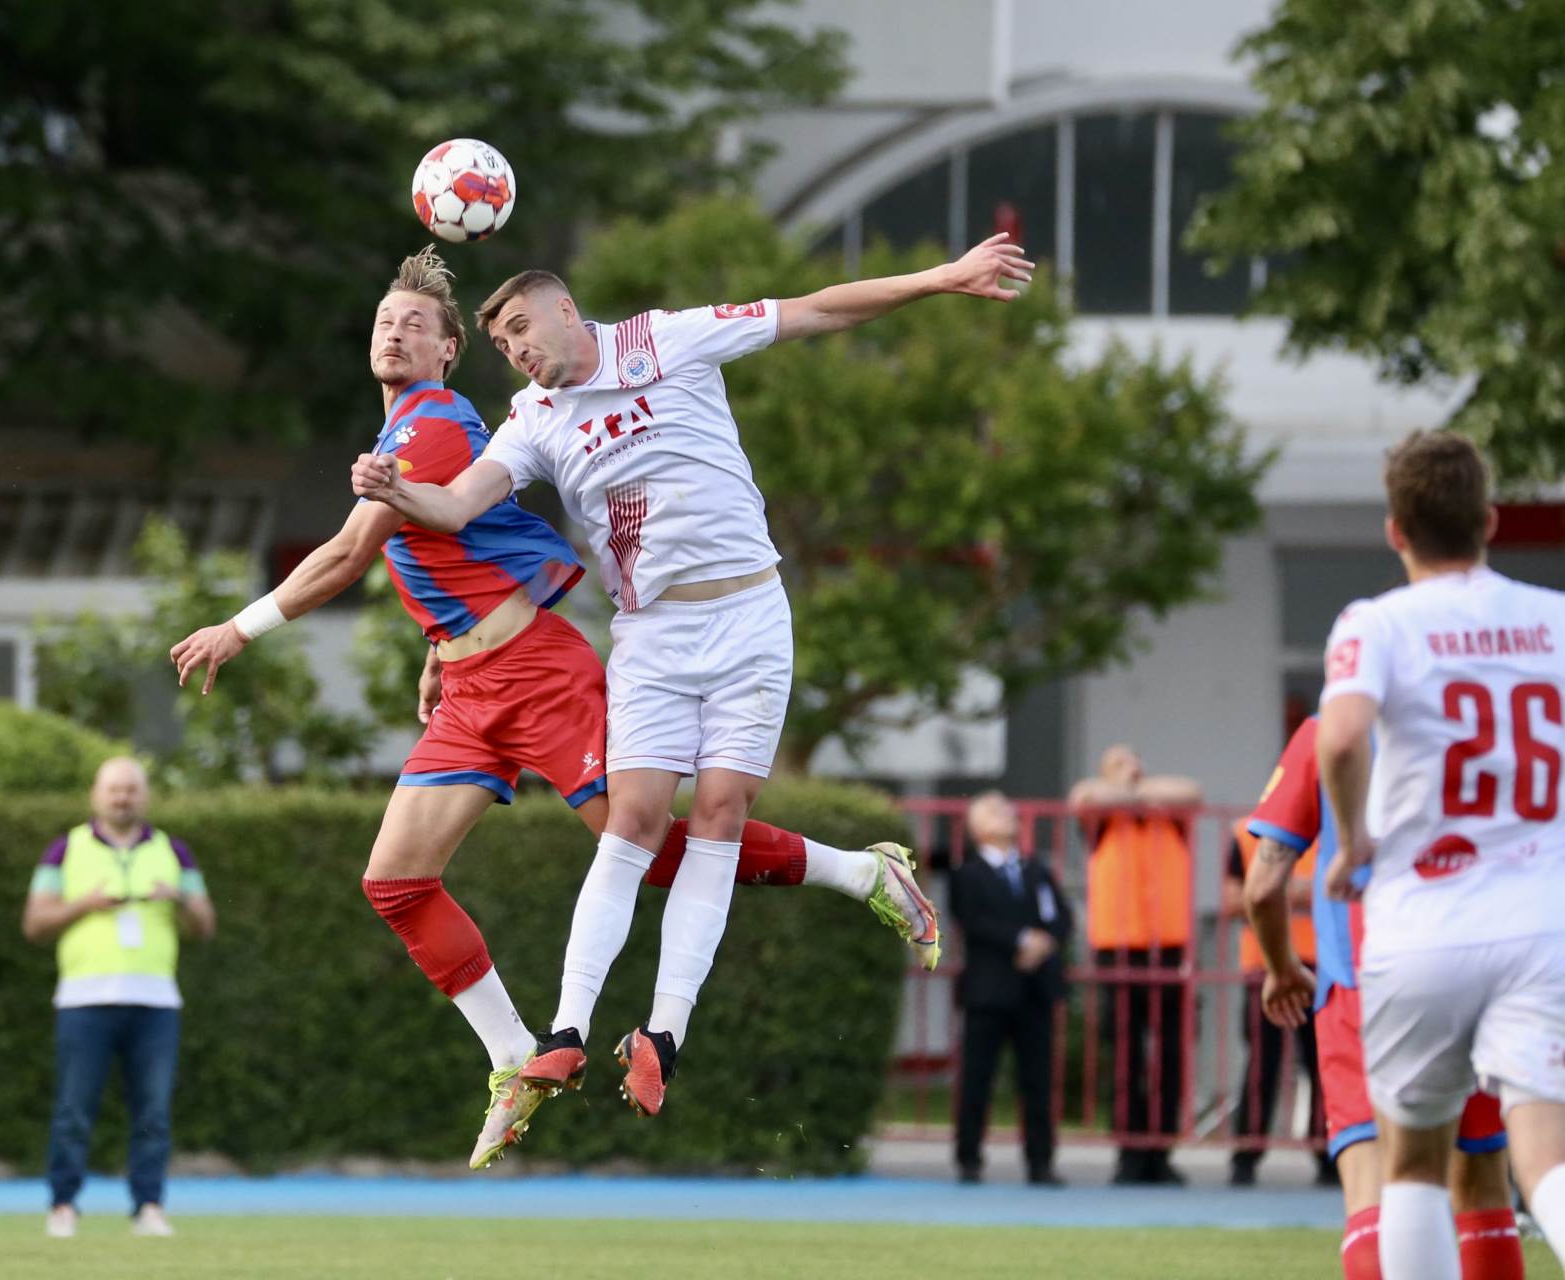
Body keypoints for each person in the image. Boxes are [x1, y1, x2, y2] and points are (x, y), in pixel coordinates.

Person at [170, 248, 942, 1168]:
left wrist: (240, 627)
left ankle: (860, 874)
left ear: (450, 352)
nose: (395, 330)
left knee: (649, 851)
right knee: (396, 882)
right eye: (384, 318)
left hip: (540, 672)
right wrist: (434, 646)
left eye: (417, 324)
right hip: (469, 689)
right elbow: (448, 550)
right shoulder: (440, 430)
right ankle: (513, 1055)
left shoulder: (434, 420)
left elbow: (352, 555)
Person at [352, 233, 1032, 1119]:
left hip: (748, 615)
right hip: (651, 636)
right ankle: (563, 1036)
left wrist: (944, 277)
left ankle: (664, 1034)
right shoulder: (532, 419)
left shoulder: (669, 340)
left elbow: (820, 308)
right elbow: (456, 504)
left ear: (569, 312)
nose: (517, 351)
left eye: (524, 328)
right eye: (505, 343)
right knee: (631, 823)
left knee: (715, 815)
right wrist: (397, 492)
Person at [1317, 430, 1565, 1278]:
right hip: (1540, 921)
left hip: (1422, 919)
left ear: (1396, 531)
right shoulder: (1553, 617)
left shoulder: (1377, 622)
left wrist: (1351, 843)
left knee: (1416, 1161)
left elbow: (1344, 735)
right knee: (1544, 1157)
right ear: (1490, 522)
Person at [1246, 713, 1523, 1280]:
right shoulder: (1484, 723)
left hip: (1363, 976)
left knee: (1371, 1176)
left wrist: (1281, 968)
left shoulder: (1328, 731)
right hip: (1475, 968)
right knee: (1482, 1176)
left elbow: (1263, 885)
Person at [22, 757, 215, 1239]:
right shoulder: (64, 849)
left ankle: (148, 1206)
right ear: (96, 794)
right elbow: (34, 924)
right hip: (84, 1001)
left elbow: (205, 925)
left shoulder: (175, 851)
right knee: (74, 1108)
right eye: (114, 789)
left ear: (144, 796)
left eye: (131, 789)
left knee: (152, 1111)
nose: (122, 797)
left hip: (154, 1002)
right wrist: (82, 905)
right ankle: (63, 1205)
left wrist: (181, 899)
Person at [1067, 744, 1201, 1185]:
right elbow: (1083, 797)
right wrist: (1121, 790)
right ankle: (1129, 1150)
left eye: (1135, 763)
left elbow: (1191, 791)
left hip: (1169, 945)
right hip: (1118, 945)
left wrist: (1133, 788)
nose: (1132, 770)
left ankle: (1160, 1149)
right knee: (1125, 1051)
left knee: (1170, 1053)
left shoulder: (1167, 813)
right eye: (1119, 765)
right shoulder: (1101, 819)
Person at [948, 791, 1072, 1187]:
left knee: (1037, 1079)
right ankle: (969, 1158)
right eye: (994, 811)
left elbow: (1062, 916)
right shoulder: (968, 874)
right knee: (977, 1076)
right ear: (977, 827)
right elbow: (973, 919)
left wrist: (1045, 943)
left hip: (1034, 990)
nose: (1007, 815)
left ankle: (1040, 1160)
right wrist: (1021, 940)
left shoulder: (1035, 870)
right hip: (989, 990)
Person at [1221, 819, 1330, 1187]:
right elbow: (1236, 900)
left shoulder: (1336, 826)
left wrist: (1274, 891)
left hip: (1324, 965)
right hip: (1265, 965)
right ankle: (1246, 1155)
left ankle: (1330, 1153)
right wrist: (1298, 892)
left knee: (1326, 1065)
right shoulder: (1246, 833)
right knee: (1261, 1065)